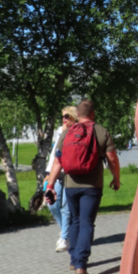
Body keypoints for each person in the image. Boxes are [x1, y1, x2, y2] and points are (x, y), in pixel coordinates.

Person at [46, 99, 120, 274]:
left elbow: (57, 161)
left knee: (75, 220)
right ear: (93, 114)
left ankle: (73, 259)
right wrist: (116, 178)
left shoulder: (67, 132)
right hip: (92, 186)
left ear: (77, 115)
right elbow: (112, 159)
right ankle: (81, 265)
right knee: (87, 223)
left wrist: (50, 186)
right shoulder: (101, 132)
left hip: (71, 185)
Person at [44, 106, 78, 252]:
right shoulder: (60, 131)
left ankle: (65, 238)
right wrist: (48, 172)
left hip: (70, 174)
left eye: (67, 116)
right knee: (51, 204)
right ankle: (66, 231)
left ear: (74, 117)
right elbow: (54, 154)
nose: (64, 119)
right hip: (57, 173)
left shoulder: (78, 131)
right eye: (63, 116)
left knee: (65, 207)